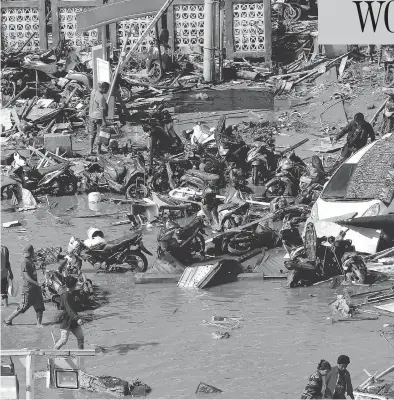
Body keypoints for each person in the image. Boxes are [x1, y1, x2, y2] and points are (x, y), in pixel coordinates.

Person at [4, 245, 45, 327]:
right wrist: (37, 283)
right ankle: (8, 320)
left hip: (36, 289)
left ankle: (39, 324)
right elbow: (26, 276)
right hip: (28, 290)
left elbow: (34, 272)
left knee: (40, 307)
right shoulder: (25, 262)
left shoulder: (31, 261)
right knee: (22, 307)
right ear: (32, 252)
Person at [53, 276, 84, 350]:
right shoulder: (65, 295)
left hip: (74, 322)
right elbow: (69, 310)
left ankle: (81, 354)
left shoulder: (73, 292)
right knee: (63, 340)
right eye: (76, 285)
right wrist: (77, 318)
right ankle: (53, 352)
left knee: (81, 338)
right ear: (73, 286)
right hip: (66, 322)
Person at [88, 81, 110, 155]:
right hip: (98, 117)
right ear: (104, 88)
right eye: (107, 90)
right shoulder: (101, 97)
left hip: (91, 115)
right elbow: (102, 110)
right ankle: (98, 150)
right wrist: (104, 121)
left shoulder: (93, 91)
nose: (107, 91)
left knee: (92, 134)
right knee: (99, 134)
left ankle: (90, 150)